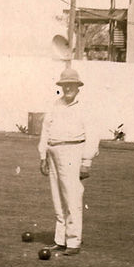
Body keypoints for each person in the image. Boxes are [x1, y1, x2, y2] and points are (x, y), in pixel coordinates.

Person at [38, 67, 100, 256]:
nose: (67, 89)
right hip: (53, 152)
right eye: (65, 85)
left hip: (73, 151)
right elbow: (45, 130)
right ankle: (60, 239)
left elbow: (93, 134)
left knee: (72, 197)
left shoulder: (85, 107)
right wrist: (43, 155)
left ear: (78, 86)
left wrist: (86, 161)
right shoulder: (55, 105)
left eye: (71, 85)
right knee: (57, 197)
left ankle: (73, 241)